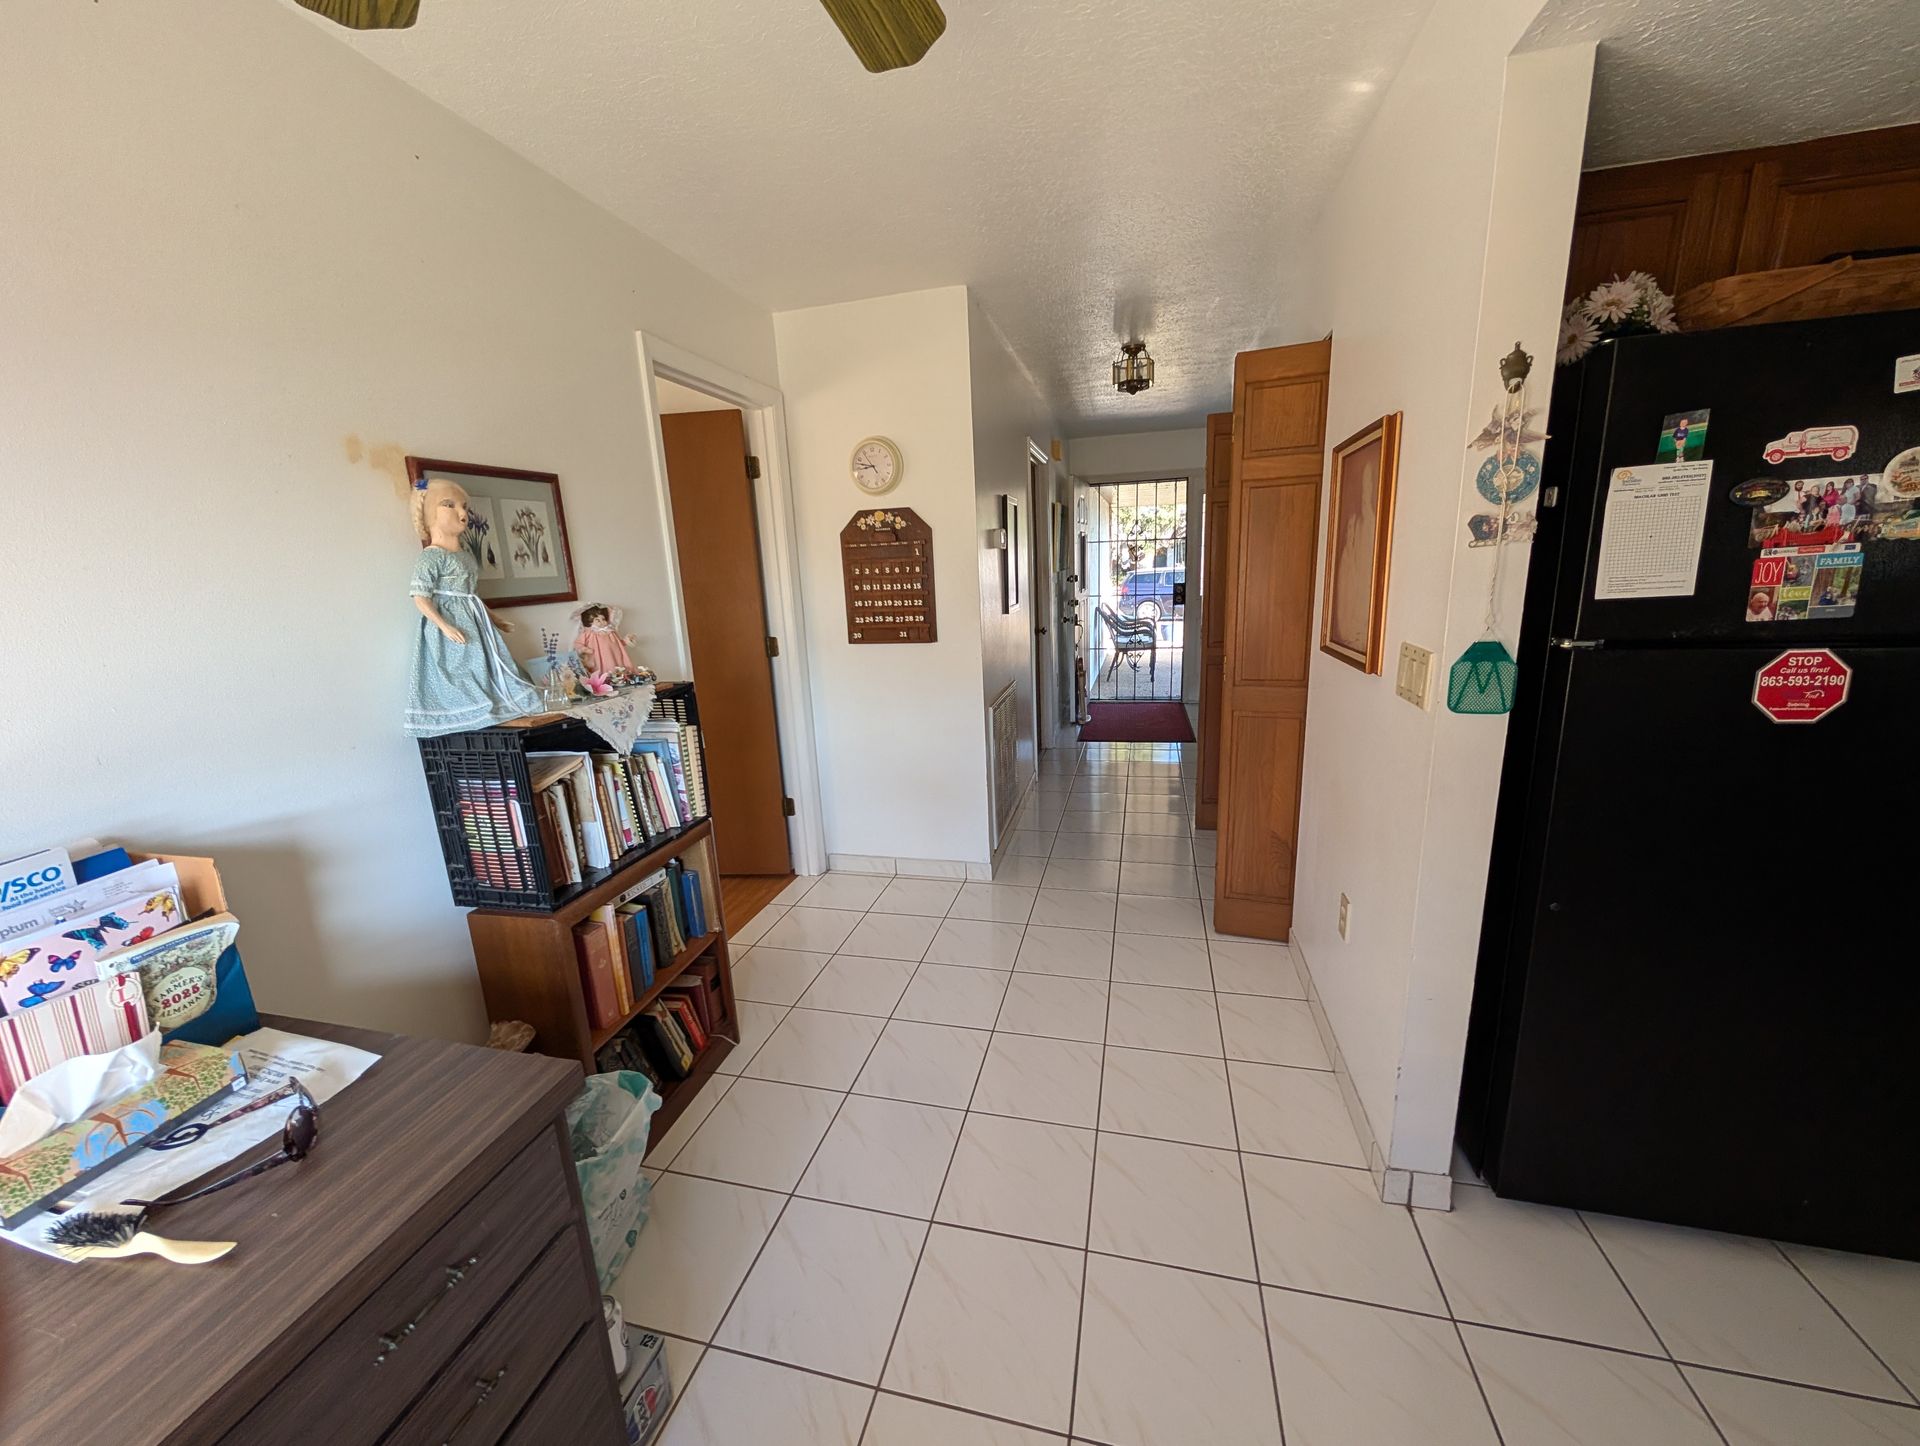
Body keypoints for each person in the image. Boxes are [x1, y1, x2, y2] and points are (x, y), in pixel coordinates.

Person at [403, 479, 541, 737]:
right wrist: (444, 626)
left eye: (464, 506)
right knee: (460, 668)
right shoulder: (431, 557)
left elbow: (471, 595)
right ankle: (473, 712)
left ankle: (503, 704)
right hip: (451, 625)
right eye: (449, 505)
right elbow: (420, 597)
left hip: (476, 621)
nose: (462, 513)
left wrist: (496, 619)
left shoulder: (466, 555)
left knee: (491, 664)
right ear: (429, 513)